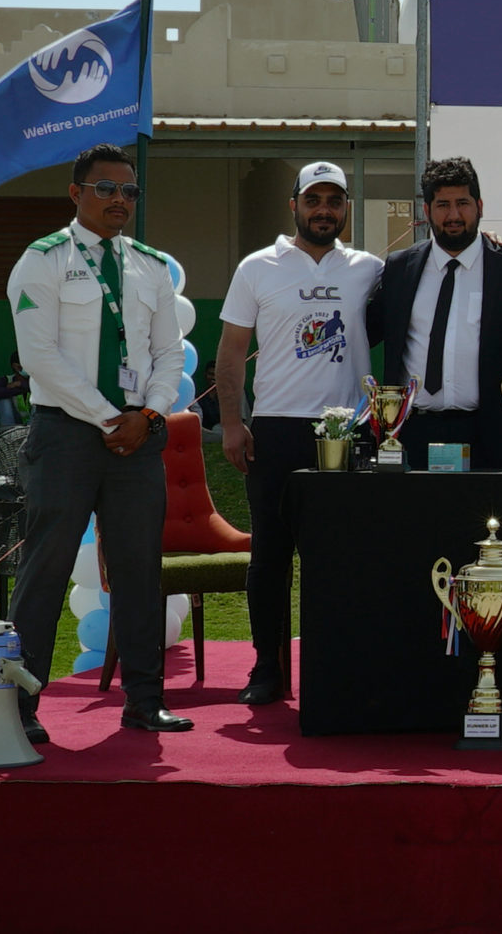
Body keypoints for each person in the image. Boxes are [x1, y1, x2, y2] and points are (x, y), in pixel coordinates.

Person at [3, 143, 193, 736]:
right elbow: (40, 356)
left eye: (129, 191)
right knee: (46, 568)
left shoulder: (149, 266)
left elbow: (169, 353)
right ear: (76, 193)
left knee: (139, 570)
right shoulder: (43, 260)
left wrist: (150, 413)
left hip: (138, 437)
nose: (119, 200)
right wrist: (111, 417)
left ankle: (144, 700)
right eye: (106, 188)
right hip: (67, 435)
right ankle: (19, 709)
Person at [214, 161, 383, 705]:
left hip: (349, 431)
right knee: (270, 556)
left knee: (339, 558)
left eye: (334, 200)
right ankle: (267, 668)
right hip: (275, 430)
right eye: (314, 200)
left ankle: (336, 666)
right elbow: (231, 353)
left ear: (347, 208)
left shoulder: (370, 269)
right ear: (295, 206)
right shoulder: (257, 267)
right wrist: (234, 423)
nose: (324, 210)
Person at [364, 157, 502, 470]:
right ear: (427, 210)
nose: (454, 215)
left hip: (492, 434)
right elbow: (364, 332)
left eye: (463, 203)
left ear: (479, 206)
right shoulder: (400, 268)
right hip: (411, 433)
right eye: (443, 205)